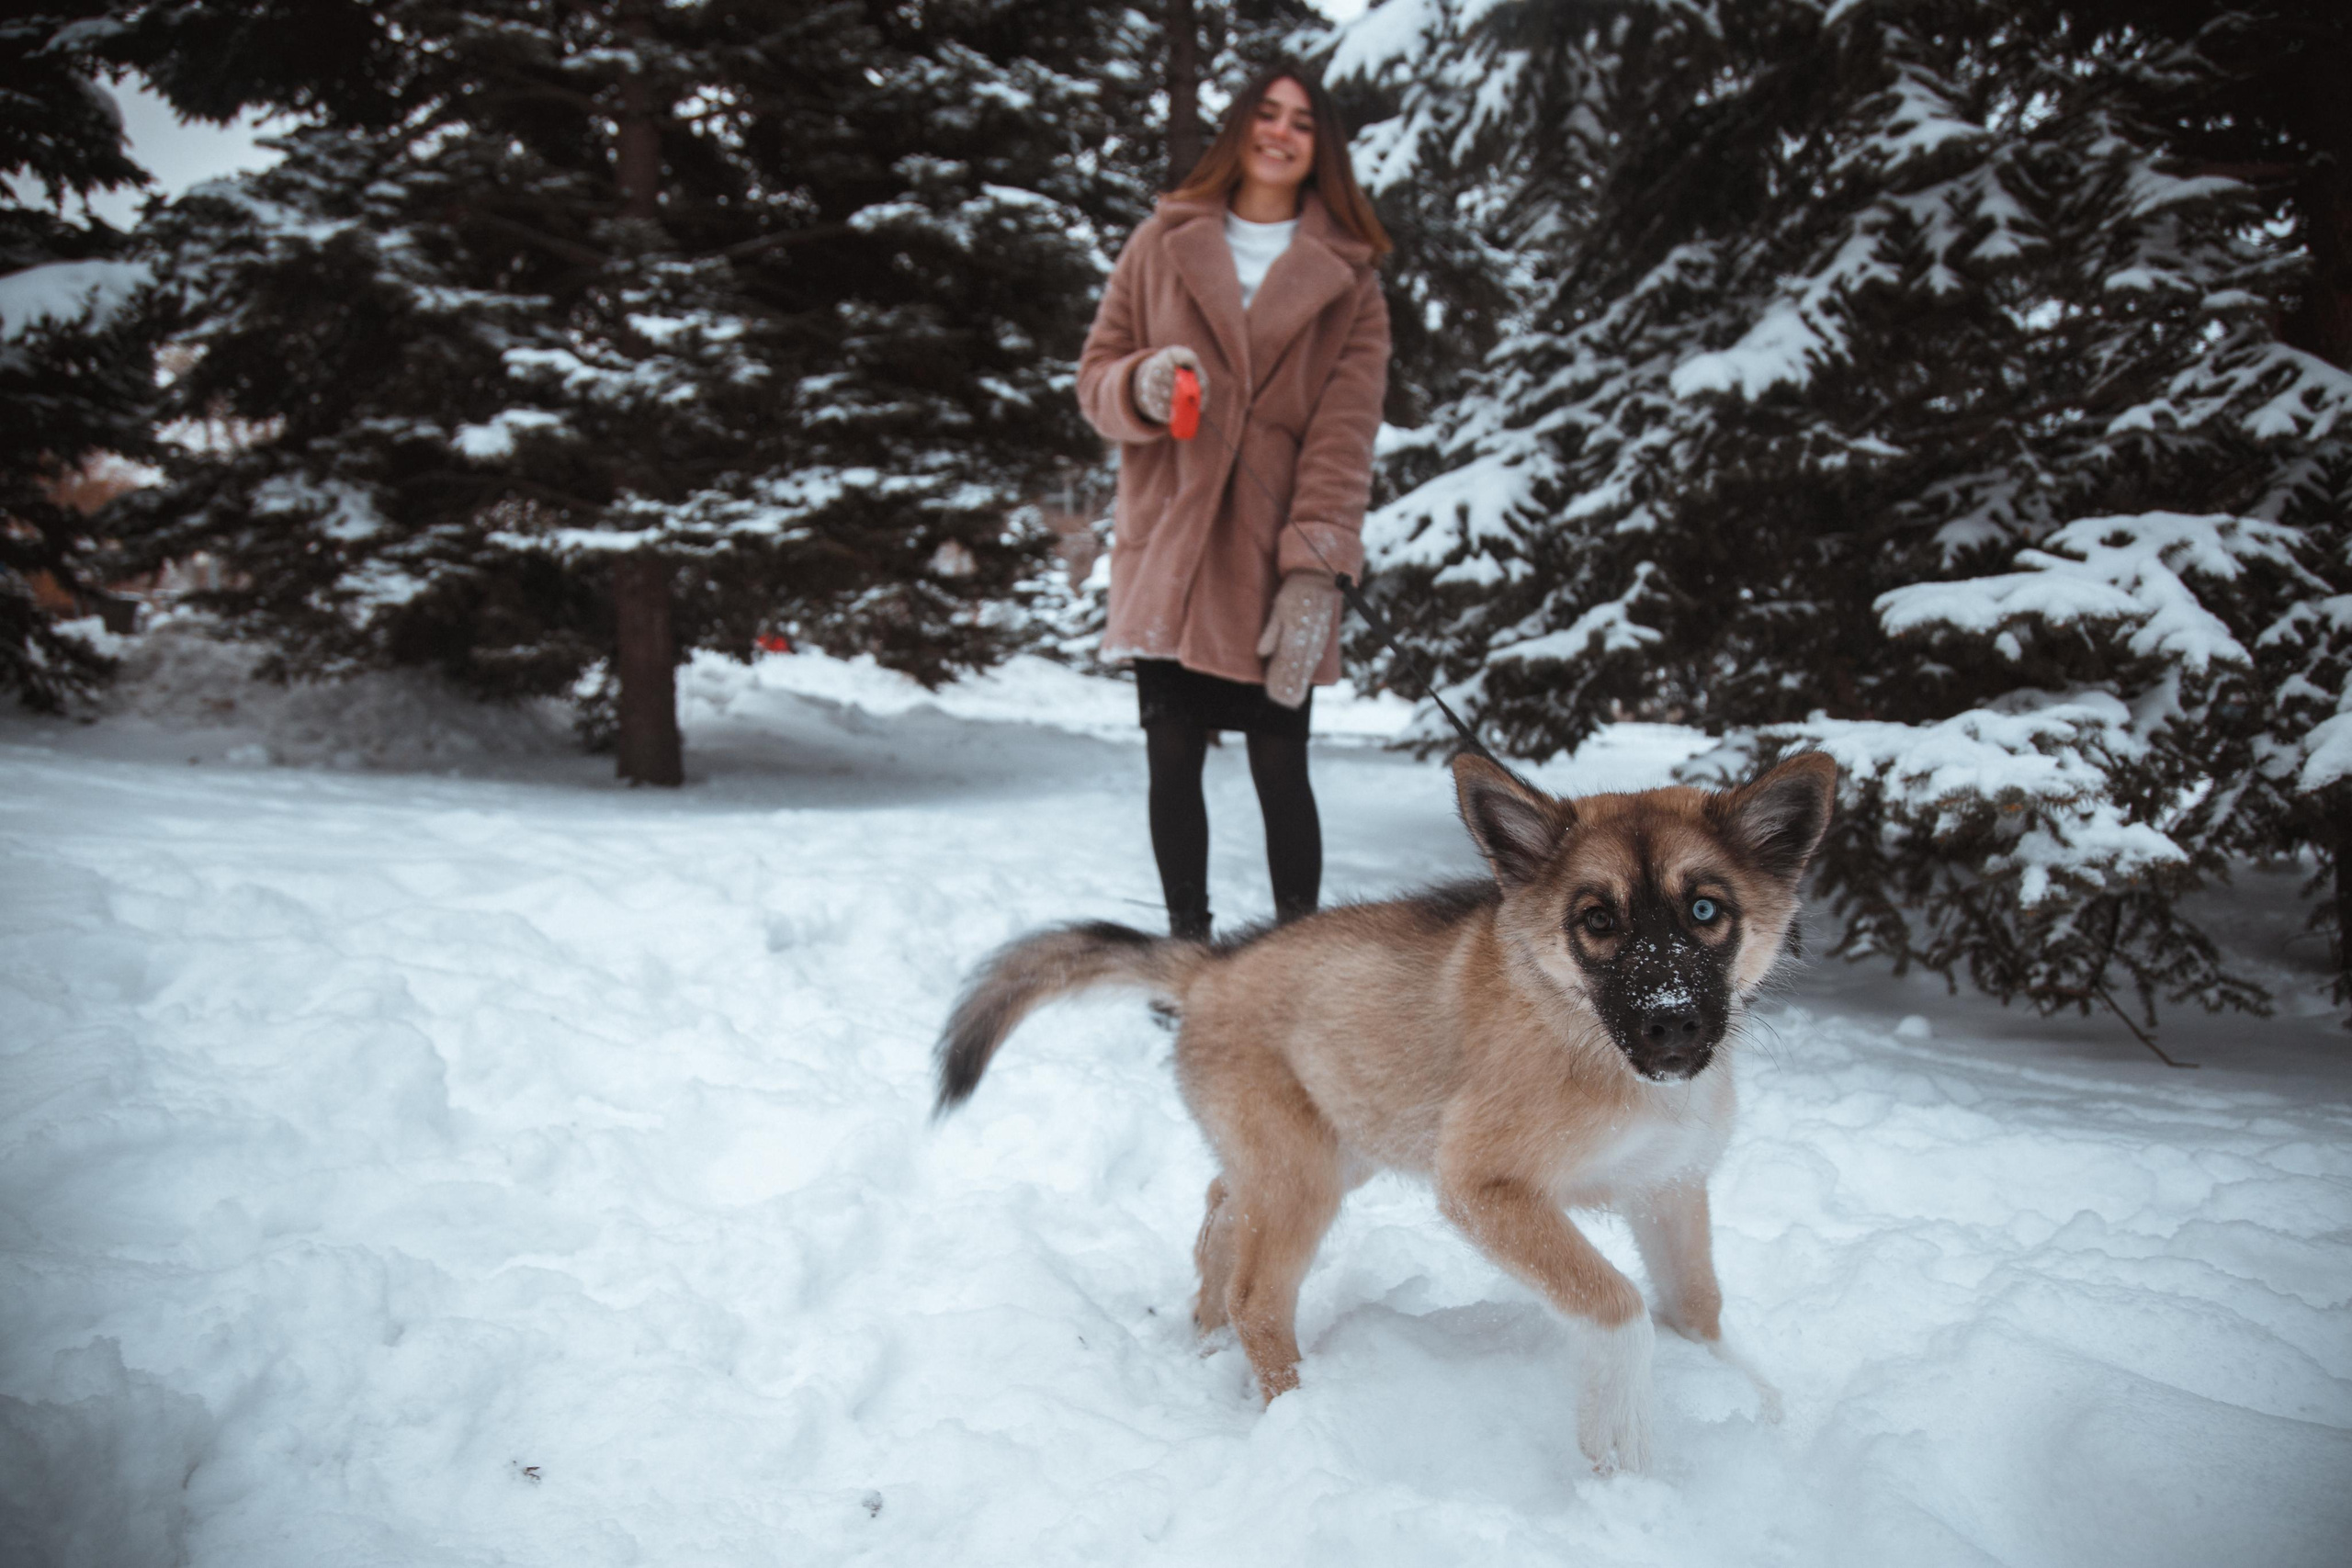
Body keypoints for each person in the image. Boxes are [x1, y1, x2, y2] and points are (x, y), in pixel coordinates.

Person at [1076, 63, 1391, 942]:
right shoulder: (1159, 241)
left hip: (1272, 555)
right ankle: (1187, 952)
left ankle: (1297, 966)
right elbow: (1095, 374)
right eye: (1267, 113)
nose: (1281, 132)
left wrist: (1314, 572)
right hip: (1170, 544)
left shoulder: (1351, 282)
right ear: (1240, 128)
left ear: (1320, 146)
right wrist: (1140, 385)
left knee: (1281, 762)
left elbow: (1343, 434)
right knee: (1170, 755)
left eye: (1302, 122)